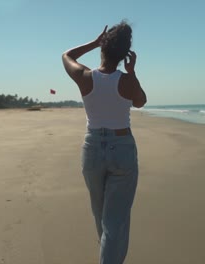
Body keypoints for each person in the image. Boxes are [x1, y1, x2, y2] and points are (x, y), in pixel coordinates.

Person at [62, 21, 147, 264]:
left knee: (102, 218)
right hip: (121, 148)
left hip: (92, 150)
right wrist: (132, 72)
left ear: (103, 49)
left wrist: (93, 42)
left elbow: (66, 55)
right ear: (124, 56)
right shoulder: (127, 80)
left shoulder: (84, 76)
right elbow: (140, 101)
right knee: (115, 222)